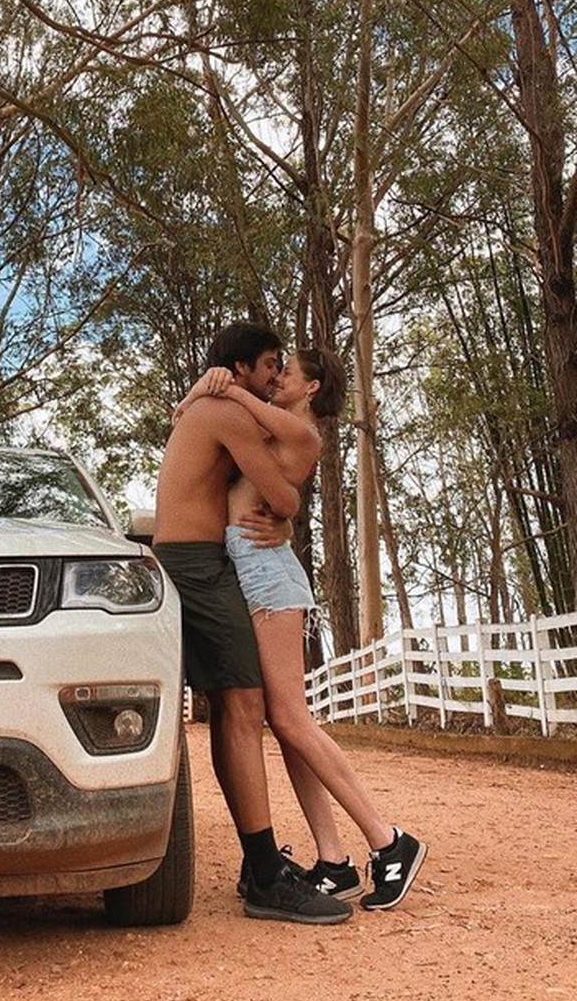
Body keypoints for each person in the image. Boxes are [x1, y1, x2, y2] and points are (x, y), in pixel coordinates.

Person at [179, 344, 427, 912]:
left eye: (289, 372)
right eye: (277, 368)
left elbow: (234, 413)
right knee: (284, 723)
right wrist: (204, 390)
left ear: (311, 388)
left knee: (291, 717)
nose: (280, 377)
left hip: (268, 577)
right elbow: (203, 422)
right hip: (253, 566)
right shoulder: (270, 426)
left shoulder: (299, 430)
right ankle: (333, 860)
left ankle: (390, 841)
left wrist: (220, 382)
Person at [153, 322, 351, 924]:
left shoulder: (210, 405)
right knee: (243, 705)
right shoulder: (226, 412)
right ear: (241, 368)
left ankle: (257, 864)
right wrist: (287, 519)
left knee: (234, 706)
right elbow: (284, 498)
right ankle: (265, 876)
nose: (273, 377)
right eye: (269, 365)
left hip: (200, 561)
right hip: (197, 565)